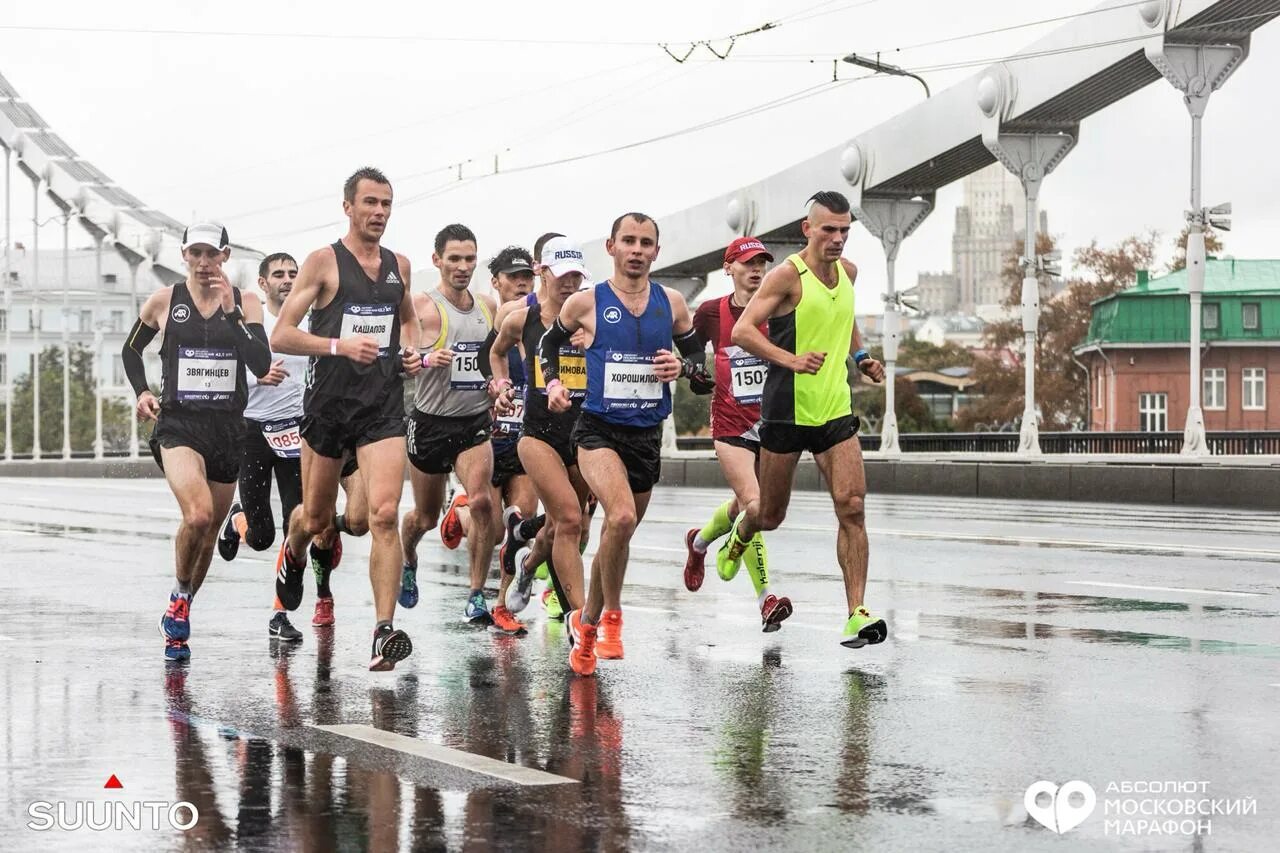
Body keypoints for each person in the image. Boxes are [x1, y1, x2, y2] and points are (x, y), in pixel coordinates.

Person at [537, 213, 713, 675]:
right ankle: (612, 616)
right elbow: (546, 348)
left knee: (619, 534)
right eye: (628, 241)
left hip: (646, 434)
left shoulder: (672, 303)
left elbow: (699, 366)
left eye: (646, 243)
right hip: (597, 430)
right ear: (611, 247)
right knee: (619, 515)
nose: (637, 250)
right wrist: (554, 384)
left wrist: (684, 368)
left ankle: (588, 626)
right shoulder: (585, 302)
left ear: (656, 251)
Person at [719, 190, 888, 648]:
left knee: (852, 506)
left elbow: (846, 315)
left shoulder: (848, 273)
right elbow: (743, 330)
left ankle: (856, 613)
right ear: (807, 229)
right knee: (770, 515)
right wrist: (789, 360)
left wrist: (862, 356)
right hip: (786, 412)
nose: (837, 239)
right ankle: (741, 534)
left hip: (835, 408)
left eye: (844, 231)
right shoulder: (785, 277)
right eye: (828, 230)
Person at [271, 166, 422, 671]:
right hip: (328, 409)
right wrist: (338, 345)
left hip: (381, 408)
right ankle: (293, 551)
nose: (378, 212)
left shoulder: (400, 264)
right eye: (370, 203)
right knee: (315, 520)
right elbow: (282, 335)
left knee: (382, 516)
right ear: (348, 207)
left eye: (386, 204)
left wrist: (412, 352)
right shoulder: (322, 262)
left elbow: (406, 320)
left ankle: (383, 632)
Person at [123, 221, 274, 661]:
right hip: (179, 425)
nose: (204, 262)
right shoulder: (165, 301)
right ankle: (178, 598)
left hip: (229, 429)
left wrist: (232, 314)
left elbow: (261, 362)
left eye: (213, 254)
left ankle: (183, 598)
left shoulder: (246, 303)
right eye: (196, 253)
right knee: (199, 514)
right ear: (184, 255)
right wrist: (143, 391)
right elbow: (131, 350)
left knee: (208, 533)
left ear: (226, 256)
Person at [398, 224, 509, 630]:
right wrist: (424, 360)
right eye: (454, 259)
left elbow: (497, 359)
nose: (463, 267)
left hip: (473, 423)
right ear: (437, 261)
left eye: (469, 259)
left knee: (481, 503)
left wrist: (499, 388)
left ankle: (476, 594)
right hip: (429, 423)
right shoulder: (421, 307)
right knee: (424, 518)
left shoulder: (487, 307)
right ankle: (408, 556)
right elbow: (398, 356)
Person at [489, 236, 593, 667]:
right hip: (538, 434)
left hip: (585, 435)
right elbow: (494, 355)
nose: (569, 285)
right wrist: (500, 385)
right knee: (567, 517)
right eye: (562, 275)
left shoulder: (591, 319)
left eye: (576, 277)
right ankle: (579, 623)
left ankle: (529, 563)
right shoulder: (520, 318)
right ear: (542, 273)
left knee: (573, 528)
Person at [683, 237, 793, 631]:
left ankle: (699, 542)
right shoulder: (712, 312)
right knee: (756, 505)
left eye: (762, 262)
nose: (756, 269)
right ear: (728, 268)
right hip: (730, 425)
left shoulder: (781, 308)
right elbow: (689, 348)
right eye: (747, 263)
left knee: (741, 507)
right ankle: (766, 600)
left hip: (774, 426)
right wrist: (694, 372)